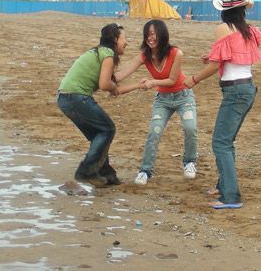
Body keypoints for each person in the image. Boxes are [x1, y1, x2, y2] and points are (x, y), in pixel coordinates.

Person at [184, 0, 261, 209]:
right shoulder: (251, 31)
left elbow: (216, 64)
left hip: (235, 92)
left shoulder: (222, 29)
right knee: (226, 141)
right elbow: (235, 57)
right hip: (247, 88)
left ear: (224, 11)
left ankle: (231, 197)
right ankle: (222, 185)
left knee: (221, 143)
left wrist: (194, 79)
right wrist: (211, 58)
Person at [57, 23, 143, 187]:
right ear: (115, 39)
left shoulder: (100, 53)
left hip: (65, 98)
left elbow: (113, 80)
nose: (127, 43)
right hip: (76, 97)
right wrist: (112, 88)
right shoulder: (108, 54)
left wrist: (138, 70)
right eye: (124, 39)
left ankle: (106, 174)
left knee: (99, 135)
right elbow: (106, 84)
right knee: (107, 129)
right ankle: (87, 172)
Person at [115, 19, 198, 185]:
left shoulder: (176, 53)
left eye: (153, 34)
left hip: (183, 96)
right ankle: (145, 171)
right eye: (147, 35)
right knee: (154, 132)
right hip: (163, 100)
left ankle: (189, 162)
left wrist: (152, 83)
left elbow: (172, 80)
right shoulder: (145, 56)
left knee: (190, 127)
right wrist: (106, 80)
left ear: (162, 34)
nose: (150, 38)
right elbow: (124, 73)